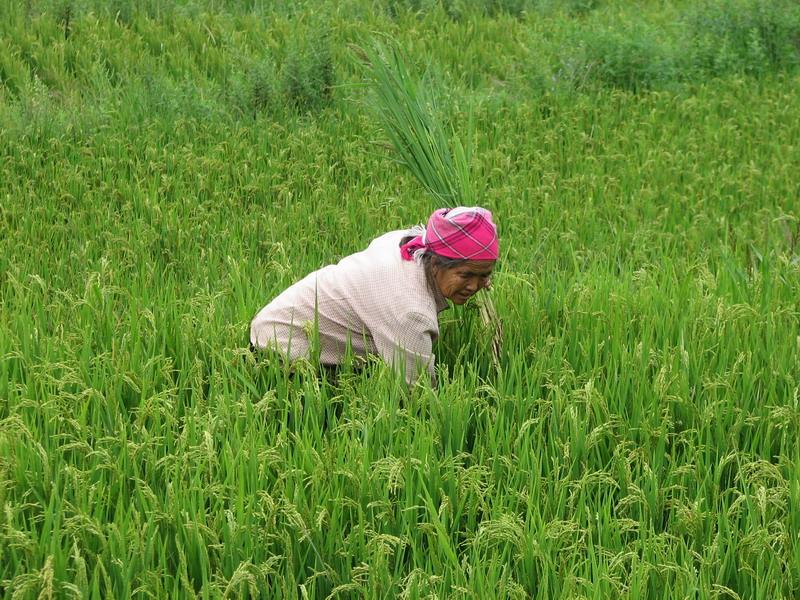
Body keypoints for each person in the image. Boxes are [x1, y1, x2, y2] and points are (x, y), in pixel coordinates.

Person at [249, 206, 499, 385]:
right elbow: (417, 392)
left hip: (280, 323)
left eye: (484, 275)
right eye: (466, 275)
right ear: (436, 263)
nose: (474, 285)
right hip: (279, 353)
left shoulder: (408, 242)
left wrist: (476, 274)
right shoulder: (410, 310)